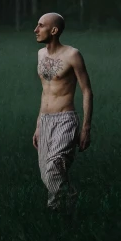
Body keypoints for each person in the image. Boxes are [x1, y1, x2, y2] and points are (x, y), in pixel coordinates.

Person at [32, 12, 93, 212]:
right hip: (45, 121)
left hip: (65, 120)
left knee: (54, 168)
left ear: (54, 30)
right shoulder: (40, 54)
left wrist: (85, 128)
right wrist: (38, 125)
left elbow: (86, 91)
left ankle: (70, 202)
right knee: (46, 174)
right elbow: (45, 93)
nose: (36, 30)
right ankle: (59, 214)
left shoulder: (72, 55)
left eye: (40, 26)